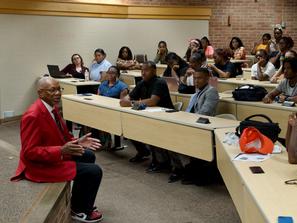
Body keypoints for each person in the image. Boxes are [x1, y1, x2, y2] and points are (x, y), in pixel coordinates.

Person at [11, 77, 103, 222]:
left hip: (54, 154)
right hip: (39, 165)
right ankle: (79, 210)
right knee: (94, 171)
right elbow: (29, 152)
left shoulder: (51, 108)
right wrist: (61, 150)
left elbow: (62, 136)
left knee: (88, 155)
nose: (57, 93)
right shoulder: (33, 115)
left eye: (59, 89)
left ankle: (78, 203)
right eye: (52, 90)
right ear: (40, 93)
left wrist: (78, 142)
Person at [120, 61, 174, 171]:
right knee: (129, 126)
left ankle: (161, 162)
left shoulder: (160, 82)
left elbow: (153, 101)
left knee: (151, 132)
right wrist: (127, 100)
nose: (143, 73)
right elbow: (126, 99)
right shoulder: (142, 82)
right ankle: (144, 152)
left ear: (154, 71)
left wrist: (132, 103)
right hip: (148, 115)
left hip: (164, 117)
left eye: (146, 70)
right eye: (142, 70)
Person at [168, 67, 219, 183]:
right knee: (170, 135)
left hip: (203, 127)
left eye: (200, 78)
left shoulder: (211, 91)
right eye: (195, 78)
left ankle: (187, 169)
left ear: (207, 78)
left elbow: (205, 113)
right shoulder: (196, 93)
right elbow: (189, 111)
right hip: (191, 124)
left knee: (178, 139)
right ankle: (182, 168)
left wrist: (186, 120)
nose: (196, 81)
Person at [98, 66, 128, 150]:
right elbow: (98, 97)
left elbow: (122, 103)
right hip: (102, 108)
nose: (110, 74)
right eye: (108, 72)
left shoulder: (122, 86)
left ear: (117, 74)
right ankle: (101, 141)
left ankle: (109, 142)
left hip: (115, 110)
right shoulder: (103, 84)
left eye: (113, 73)